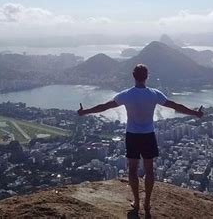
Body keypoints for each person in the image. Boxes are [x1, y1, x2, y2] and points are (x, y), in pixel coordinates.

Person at [77, 64, 204, 214]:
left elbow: (104, 106)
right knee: (149, 170)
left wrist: (85, 112)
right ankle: (147, 203)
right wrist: (195, 113)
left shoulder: (126, 94)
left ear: (133, 76)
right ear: (147, 76)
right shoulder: (154, 94)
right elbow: (175, 105)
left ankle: (136, 203)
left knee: (132, 170)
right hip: (148, 135)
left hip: (132, 135)